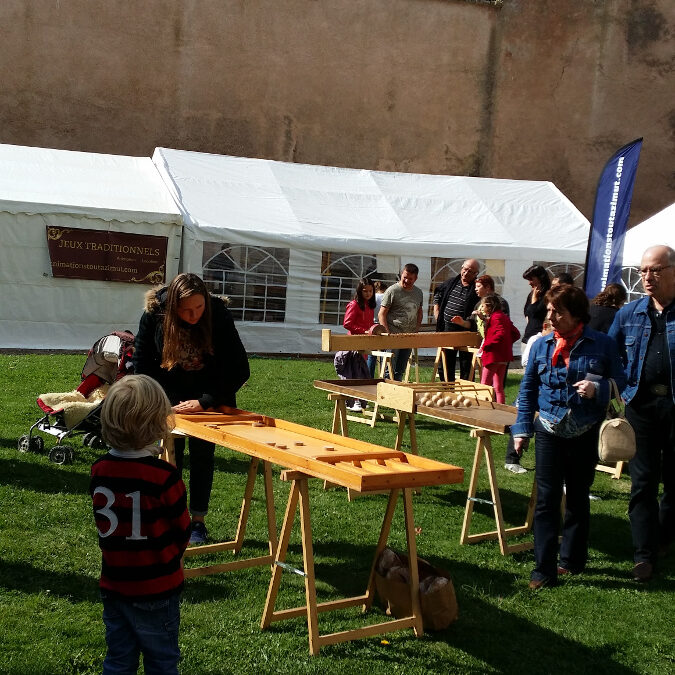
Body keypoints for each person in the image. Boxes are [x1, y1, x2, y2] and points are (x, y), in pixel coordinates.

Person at [511, 285, 625, 589]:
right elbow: (527, 389)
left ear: (576, 315)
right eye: (549, 310)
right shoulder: (541, 345)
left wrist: (598, 389)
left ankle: (572, 559)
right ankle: (543, 569)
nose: (550, 317)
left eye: (557, 311)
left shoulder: (602, 344)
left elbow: (622, 381)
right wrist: (521, 430)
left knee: (577, 496)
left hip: (585, 429)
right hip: (548, 429)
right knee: (547, 499)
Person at [133, 273, 250, 544]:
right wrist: (161, 400)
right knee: (170, 458)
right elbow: (142, 362)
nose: (194, 315)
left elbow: (239, 368)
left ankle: (198, 522)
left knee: (202, 456)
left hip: (209, 400)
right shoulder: (154, 314)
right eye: (186, 310)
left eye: (199, 307)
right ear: (172, 306)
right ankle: (171, 516)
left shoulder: (218, 314)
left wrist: (206, 400)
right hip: (168, 398)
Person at [90, 375, 191, 675]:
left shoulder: (100, 470)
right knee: (162, 662)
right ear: (156, 423)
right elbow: (182, 530)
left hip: (115, 584)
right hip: (157, 587)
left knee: (118, 661)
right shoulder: (163, 476)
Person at [609, 245, 675, 582]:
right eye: (643, 270)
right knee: (643, 481)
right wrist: (620, 388)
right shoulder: (629, 313)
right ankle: (643, 555)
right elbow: (609, 354)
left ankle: (663, 537)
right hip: (641, 407)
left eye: (655, 270)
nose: (647, 277)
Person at [433, 259, 480, 381]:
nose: (466, 273)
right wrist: (437, 310)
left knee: (466, 364)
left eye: (470, 271)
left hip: (466, 331)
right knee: (445, 363)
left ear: (476, 273)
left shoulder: (476, 289)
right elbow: (438, 292)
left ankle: (466, 389)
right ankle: (448, 388)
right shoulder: (451, 283)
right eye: (465, 269)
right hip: (447, 329)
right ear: (461, 268)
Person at [379, 263, 424, 381]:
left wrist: (416, 329)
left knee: (400, 370)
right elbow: (381, 314)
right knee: (389, 370)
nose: (407, 281)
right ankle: (386, 390)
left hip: (408, 336)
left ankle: (398, 389)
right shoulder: (392, 291)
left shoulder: (418, 293)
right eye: (405, 277)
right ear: (401, 274)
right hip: (393, 335)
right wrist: (387, 334)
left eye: (410, 279)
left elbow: (419, 312)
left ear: (416, 278)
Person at [339, 278, 375, 411]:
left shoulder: (370, 305)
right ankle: (353, 401)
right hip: (354, 342)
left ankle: (359, 399)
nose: (368, 293)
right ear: (359, 291)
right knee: (354, 371)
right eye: (365, 291)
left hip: (364, 341)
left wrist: (373, 329)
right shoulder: (354, 304)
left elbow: (369, 323)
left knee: (362, 371)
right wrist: (364, 330)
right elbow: (347, 324)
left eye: (370, 291)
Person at [476, 294, 520, 404]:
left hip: (493, 356)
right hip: (503, 357)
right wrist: (506, 344)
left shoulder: (496, 317)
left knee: (484, 384)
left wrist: (486, 345)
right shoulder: (503, 317)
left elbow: (500, 333)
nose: (481, 308)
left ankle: (482, 407)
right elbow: (516, 334)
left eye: (483, 306)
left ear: (489, 306)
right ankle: (501, 408)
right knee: (498, 386)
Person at [521, 265, 551, 344]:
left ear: (540, 278)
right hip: (528, 336)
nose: (529, 283)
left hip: (540, 338)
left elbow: (534, 312)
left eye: (531, 279)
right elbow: (527, 313)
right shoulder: (531, 294)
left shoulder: (549, 295)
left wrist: (534, 300)